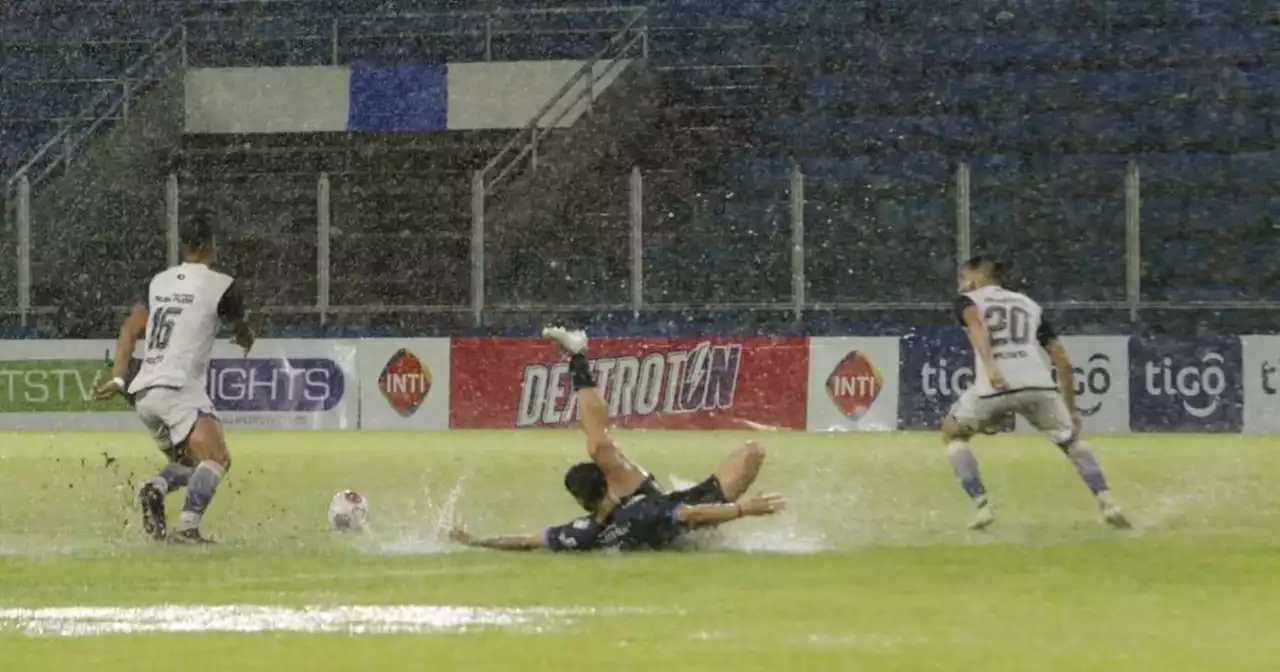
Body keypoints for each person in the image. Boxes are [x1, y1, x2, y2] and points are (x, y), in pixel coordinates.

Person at [449, 327, 786, 551]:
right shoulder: (638, 514)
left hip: (665, 508)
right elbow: (688, 516)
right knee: (752, 450)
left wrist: (475, 541)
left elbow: (526, 541)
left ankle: (578, 359)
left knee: (599, 445)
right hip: (684, 513)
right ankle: (578, 359)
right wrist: (742, 509)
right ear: (606, 487)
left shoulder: (582, 532)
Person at [93, 214, 254, 543]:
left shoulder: (158, 282)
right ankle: (186, 529)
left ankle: (156, 489)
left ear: (183, 246)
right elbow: (239, 327)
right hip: (177, 388)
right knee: (217, 458)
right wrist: (246, 337)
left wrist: (120, 378)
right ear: (213, 245)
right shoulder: (223, 285)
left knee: (193, 463)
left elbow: (129, 330)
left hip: (144, 394)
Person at [943, 255, 1129, 530]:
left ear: (976, 276)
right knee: (1072, 442)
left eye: (963, 278)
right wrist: (1072, 409)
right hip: (1038, 385)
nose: (960, 285)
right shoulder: (1029, 305)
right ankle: (1108, 502)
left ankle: (982, 506)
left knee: (952, 433)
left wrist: (992, 367)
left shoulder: (968, 302)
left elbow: (978, 326)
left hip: (993, 387)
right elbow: (1062, 359)